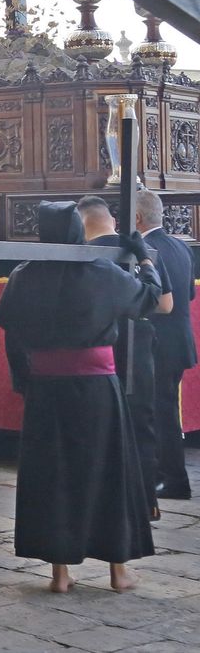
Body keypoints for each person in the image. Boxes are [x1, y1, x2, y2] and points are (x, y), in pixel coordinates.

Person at [0, 201, 161, 593]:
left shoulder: (23, 275)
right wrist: (144, 258)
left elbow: (12, 335)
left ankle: (61, 575)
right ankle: (119, 572)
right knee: (109, 471)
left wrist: (26, 381)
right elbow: (151, 298)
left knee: (54, 476)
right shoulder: (102, 272)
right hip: (97, 389)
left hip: (47, 391)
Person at [79, 194, 172, 518]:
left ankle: (105, 500)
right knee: (141, 423)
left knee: (100, 428)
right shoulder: (138, 248)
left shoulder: (81, 255)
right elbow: (164, 303)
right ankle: (146, 500)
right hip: (140, 341)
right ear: (113, 221)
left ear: (82, 223)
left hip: (99, 346)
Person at [135, 190, 197, 500]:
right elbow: (189, 295)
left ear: (136, 218)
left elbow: (156, 301)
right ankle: (167, 475)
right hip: (179, 341)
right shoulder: (180, 247)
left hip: (157, 344)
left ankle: (173, 479)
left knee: (160, 414)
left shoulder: (146, 250)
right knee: (164, 411)